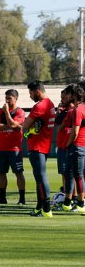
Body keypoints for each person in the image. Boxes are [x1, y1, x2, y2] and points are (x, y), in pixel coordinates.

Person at [22, 80, 55, 218]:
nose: (30, 96)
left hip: (37, 147)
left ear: (37, 91)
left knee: (41, 177)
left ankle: (47, 210)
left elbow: (25, 125)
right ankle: (39, 207)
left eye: (30, 93)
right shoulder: (51, 104)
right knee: (38, 177)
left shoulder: (40, 106)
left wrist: (27, 130)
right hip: (44, 145)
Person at [0, 89, 26, 205]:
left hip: (15, 149)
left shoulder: (20, 112)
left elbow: (14, 124)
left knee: (18, 173)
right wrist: (10, 126)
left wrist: (7, 116)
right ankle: (2, 198)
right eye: (6, 98)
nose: (7, 100)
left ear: (16, 99)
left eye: (10, 98)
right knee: (1, 173)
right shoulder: (0, 112)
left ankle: (22, 199)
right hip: (2, 148)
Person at [62, 85, 85, 214]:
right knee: (70, 174)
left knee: (78, 175)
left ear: (74, 96)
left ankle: (81, 203)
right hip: (82, 146)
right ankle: (68, 201)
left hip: (77, 146)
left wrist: (68, 144)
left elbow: (75, 132)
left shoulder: (78, 110)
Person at [55, 86, 76, 197]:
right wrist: (58, 112)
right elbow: (57, 124)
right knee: (63, 172)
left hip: (69, 145)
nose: (62, 99)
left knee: (72, 173)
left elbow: (62, 127)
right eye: (61, 97)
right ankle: (66, 194)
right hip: (61, 144)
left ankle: (72, 196)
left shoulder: (73, 110)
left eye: (64, 97)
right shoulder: (63, 110)